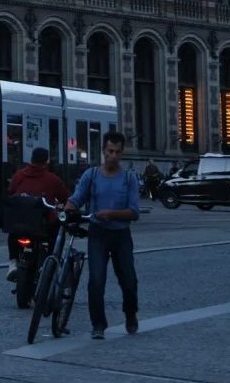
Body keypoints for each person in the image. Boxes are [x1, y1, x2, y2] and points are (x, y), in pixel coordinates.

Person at [66, 130, 141, 340]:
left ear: (122, 153)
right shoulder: (91, 176)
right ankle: (98, 324)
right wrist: (68, 208)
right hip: (98, 233)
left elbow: (134, 212)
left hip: (121, 234)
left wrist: (111, 213)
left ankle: (130, 313)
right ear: (103, 151)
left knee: (129, 280)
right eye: (110, 151)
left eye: (117, 152)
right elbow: (77, 198)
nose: (113, 156)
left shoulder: (129, 178)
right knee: (96, 280)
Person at [4, 147, 69, 280]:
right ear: (46, 161)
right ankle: (52, 260)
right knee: (58, 232)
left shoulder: (19, 176)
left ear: (31, 159)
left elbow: (11, 191)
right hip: (42, 225)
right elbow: (65, 197)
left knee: (13, 233)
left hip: (21, 222)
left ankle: (13, 262)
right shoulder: (52, 179)